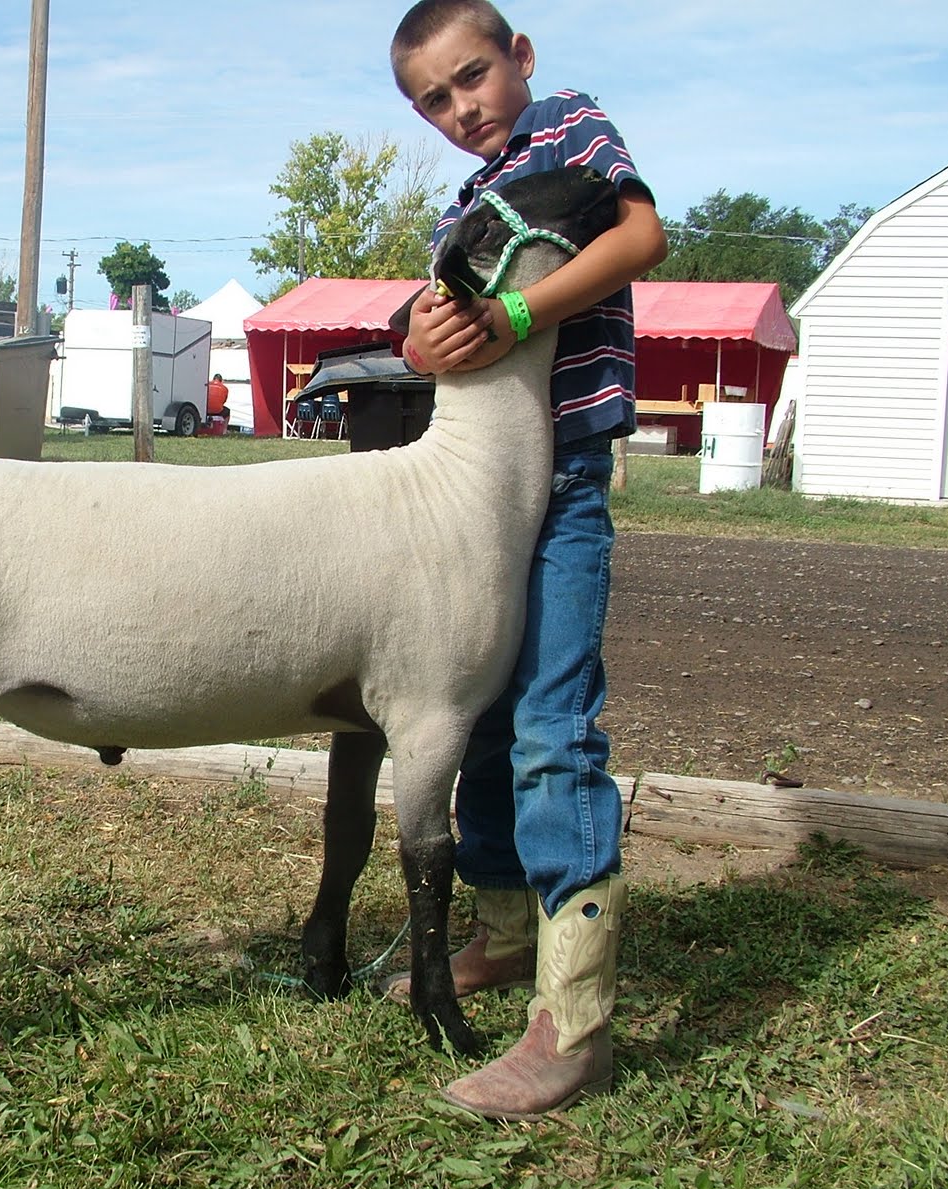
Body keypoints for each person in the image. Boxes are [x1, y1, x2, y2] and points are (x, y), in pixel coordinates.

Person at [385, 0, 667, 1120]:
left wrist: (506, 314)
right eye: (433, 100)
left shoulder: (568, 129)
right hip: (474, 502)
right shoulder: (467, 200)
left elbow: (639, 236)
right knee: (488, 719)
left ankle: (577, 1022)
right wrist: (421, 336)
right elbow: (433, 322)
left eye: (472, 78)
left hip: (558, 485)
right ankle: (502, 936)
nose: (462, 109)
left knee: (552, 726)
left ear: (521, 58)